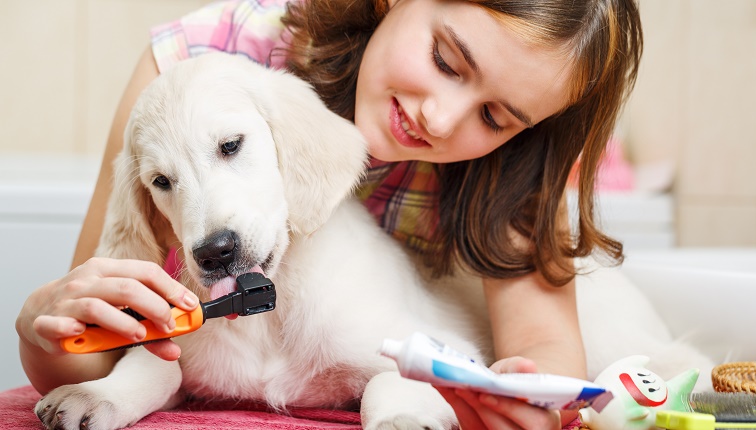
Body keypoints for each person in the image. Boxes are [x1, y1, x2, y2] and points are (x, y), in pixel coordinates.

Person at [16, 0, 642, 428]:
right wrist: (41, 324)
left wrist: (528, 398)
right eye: (446, 60)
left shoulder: (506, 170)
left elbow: (541, 346)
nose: (441, 118)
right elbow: (101, 330)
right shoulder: (208, 64)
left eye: (494, 116)